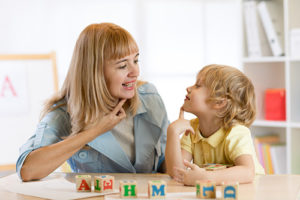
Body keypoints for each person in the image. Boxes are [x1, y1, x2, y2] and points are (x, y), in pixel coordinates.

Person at [16, 23, 168, 181]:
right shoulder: (65, 114)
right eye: (123, 65)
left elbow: (165, 162)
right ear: (95, 72)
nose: (135, 72)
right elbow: (27, 170)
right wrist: (93, 132)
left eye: (136, 61)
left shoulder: (149, 97)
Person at [165, 64, 265, 186]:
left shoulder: (236, 132)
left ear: (219, 102)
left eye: (197, 86)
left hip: (252, 190)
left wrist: (205, 177)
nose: (188, 88)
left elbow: (247, 172)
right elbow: (176, 173)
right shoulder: (191, 129)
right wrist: (173, 132)